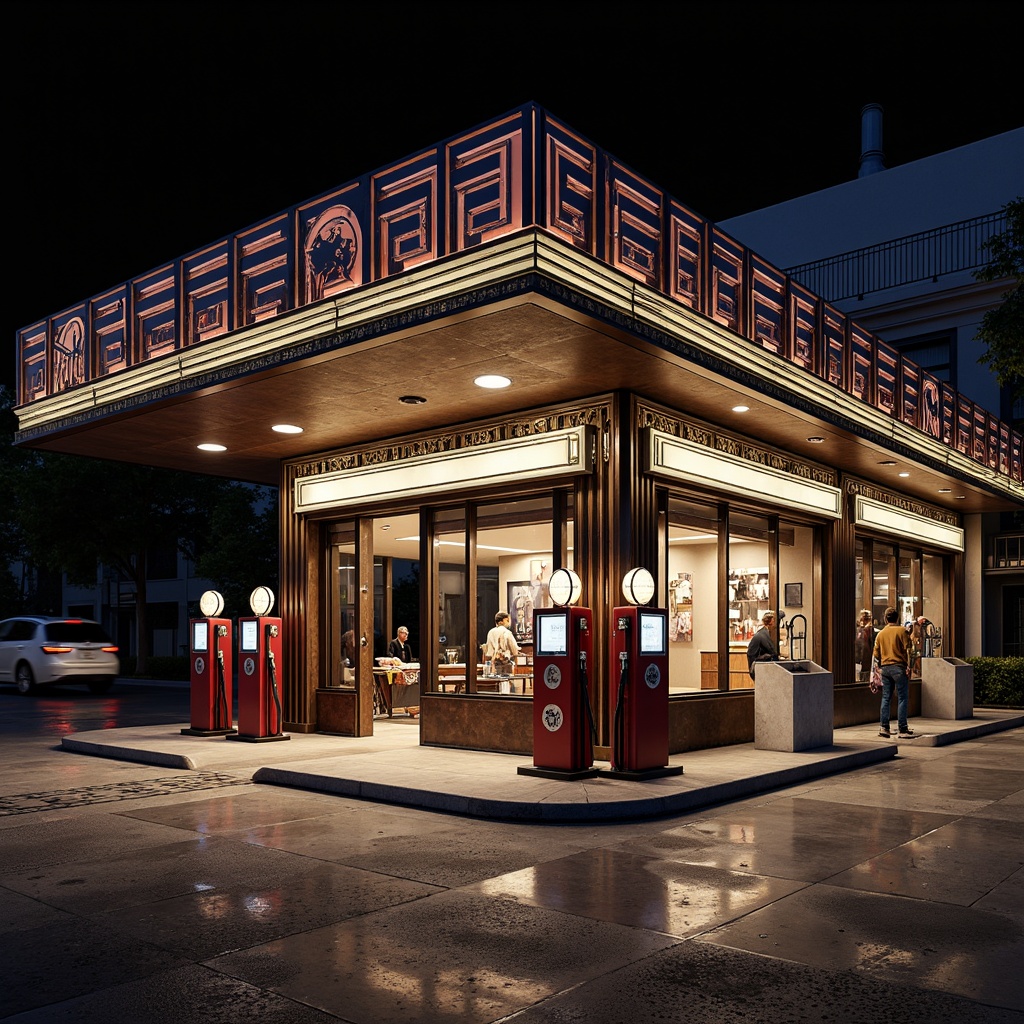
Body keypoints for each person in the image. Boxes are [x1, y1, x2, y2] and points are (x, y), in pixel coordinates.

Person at [873, 606, 916, 739]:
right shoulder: (902, 631)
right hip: (899, 667)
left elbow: (876, 654)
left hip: (885, 668)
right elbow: (909, 650)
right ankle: (902, 728)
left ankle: (884, 727)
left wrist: (878, 669)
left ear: (885, 619)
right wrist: (910, 666)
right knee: (902, 697)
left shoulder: (880, 634)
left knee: (886, 697)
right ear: (897, 618)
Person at [484, 610, 520, 678]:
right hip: (506, 663)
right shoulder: (507, 632)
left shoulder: (491, 632)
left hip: (494, 663)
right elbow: (514, 649)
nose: (508, 622)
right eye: (507, 620)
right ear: (501, 622)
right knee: (507, 682)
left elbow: (489, 651)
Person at [746, 610, 778, 680]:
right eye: (773, 621)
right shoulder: (763, 634)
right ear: (771, 622)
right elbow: (771, 650)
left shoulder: (762, 632)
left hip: (755, 664)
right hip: (757, 666)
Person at [854, 609, 874, 681]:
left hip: (866, 658)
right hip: (859, 658)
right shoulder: (859, 630)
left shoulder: (869, 630)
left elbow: (868, 646)